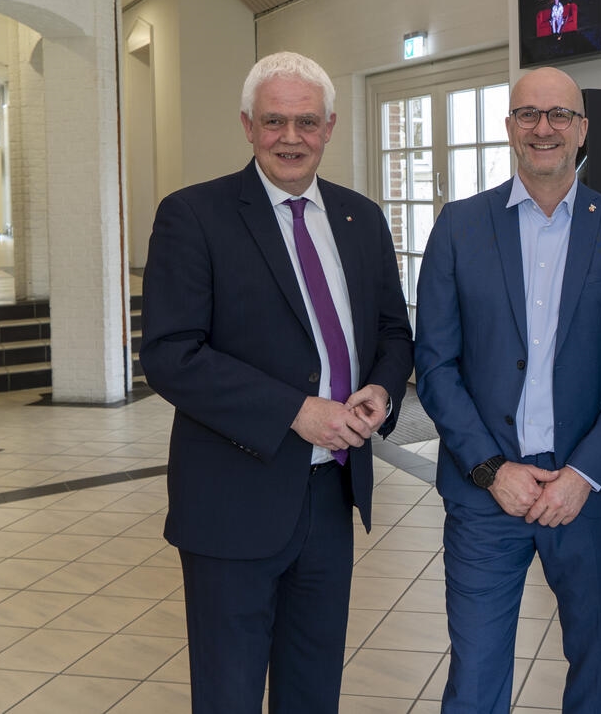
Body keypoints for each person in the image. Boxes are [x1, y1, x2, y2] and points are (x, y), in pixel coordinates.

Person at [140, 51, 414, 713]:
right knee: (229, 694)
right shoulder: (194, 216)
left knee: (313, 692)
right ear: (247, 125)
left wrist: (379, 389)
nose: (290, 137)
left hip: (329, 501)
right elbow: (171, 354)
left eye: (306, 121)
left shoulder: (360, 218)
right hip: (232, 503)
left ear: (329, 126)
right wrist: (295, 410)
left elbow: (393, 333)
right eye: (273, 121)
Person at [415, 66, 601, 714]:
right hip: (484, 493)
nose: (543, 127)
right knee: (475, 677)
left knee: (593, 671)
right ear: (509, 129)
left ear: (582, 129)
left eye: (559, 115)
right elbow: (435, 365)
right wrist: (492, 469)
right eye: (528, 114)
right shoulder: (459, 227)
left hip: (588, 497)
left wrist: (584, 472)